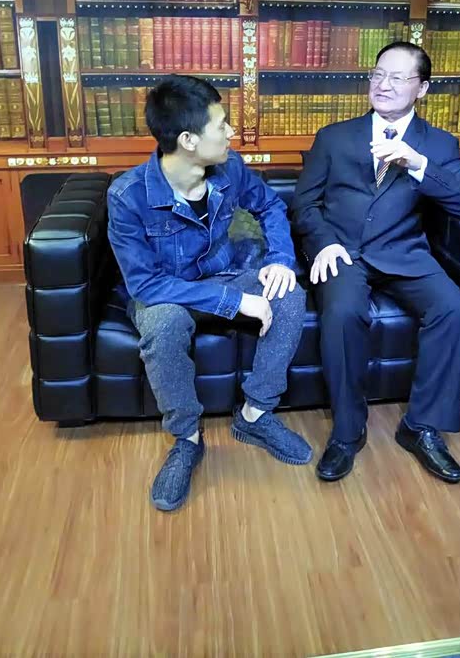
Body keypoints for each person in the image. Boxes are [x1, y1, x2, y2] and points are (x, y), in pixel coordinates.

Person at [108, 74, 311, 512]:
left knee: (288, 293)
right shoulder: (128, 196)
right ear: (188, 140)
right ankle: (187, 438)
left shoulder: (229, 168)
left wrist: (280, 259)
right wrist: (236, 302)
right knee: (163, 323)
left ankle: (255, 414)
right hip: (166, 292)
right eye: (221, 124)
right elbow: (145, 284)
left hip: (225, 273)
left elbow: (270, 205)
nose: (231, 132)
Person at [291, 41, 460, 484]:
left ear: (422, 88)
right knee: (342, 313)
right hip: (343, 253)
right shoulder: (334, 137)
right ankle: (347, 432)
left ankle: (421, 427)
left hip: (403, 252)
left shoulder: (438, 144)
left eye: (397, 77)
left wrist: (418, 164)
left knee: (454, 308)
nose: (383, 84)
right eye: (378, 74)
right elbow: (304, 204)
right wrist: (323, 244)